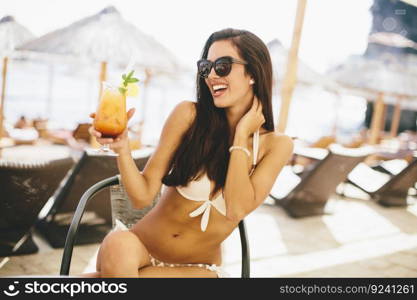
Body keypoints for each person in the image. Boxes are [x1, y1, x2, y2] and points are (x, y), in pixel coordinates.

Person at [87, 28, 293, 278]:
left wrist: (241, 136)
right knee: (118, 243)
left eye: (223, 66)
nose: (212, 75)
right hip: (139, 251)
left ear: (252, 72)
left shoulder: (277, 146)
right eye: (207, 67)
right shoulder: (189, 116)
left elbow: (236, 209)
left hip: (197, 270)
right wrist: (122, 149)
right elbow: (142, 197)